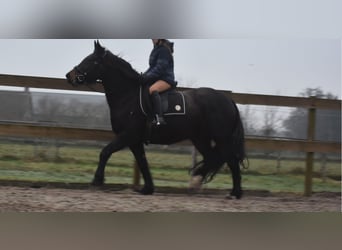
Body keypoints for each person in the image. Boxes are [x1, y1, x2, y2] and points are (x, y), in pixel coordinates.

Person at [142, 39, 177, 126]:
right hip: (157, 78)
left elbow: (160, 68)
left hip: (166, 79)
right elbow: (152, 68)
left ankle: (159, 118)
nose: (152, 39)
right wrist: (142, 76)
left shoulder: (164, 50)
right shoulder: (156, 49)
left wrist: (146, 77)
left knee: (152, 90)